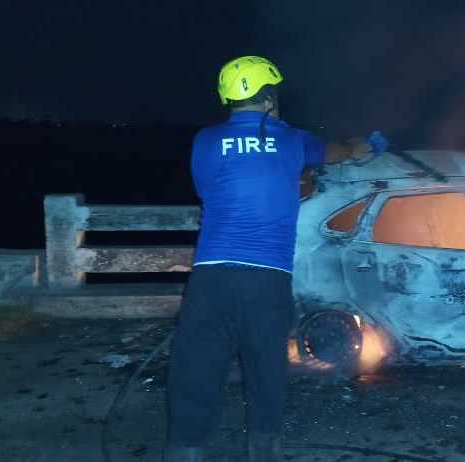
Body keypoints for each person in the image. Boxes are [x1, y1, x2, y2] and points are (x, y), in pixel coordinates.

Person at [163, 56, 386, 462]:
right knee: (266, 370)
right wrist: (366, 145)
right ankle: (264, 449)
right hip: (267, 279)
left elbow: (207, 189)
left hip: (211, 278)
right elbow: (342, 152)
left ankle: (185, 451)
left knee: (196, 369)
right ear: (269, 98)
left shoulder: (205, 140)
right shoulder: (291, 140)